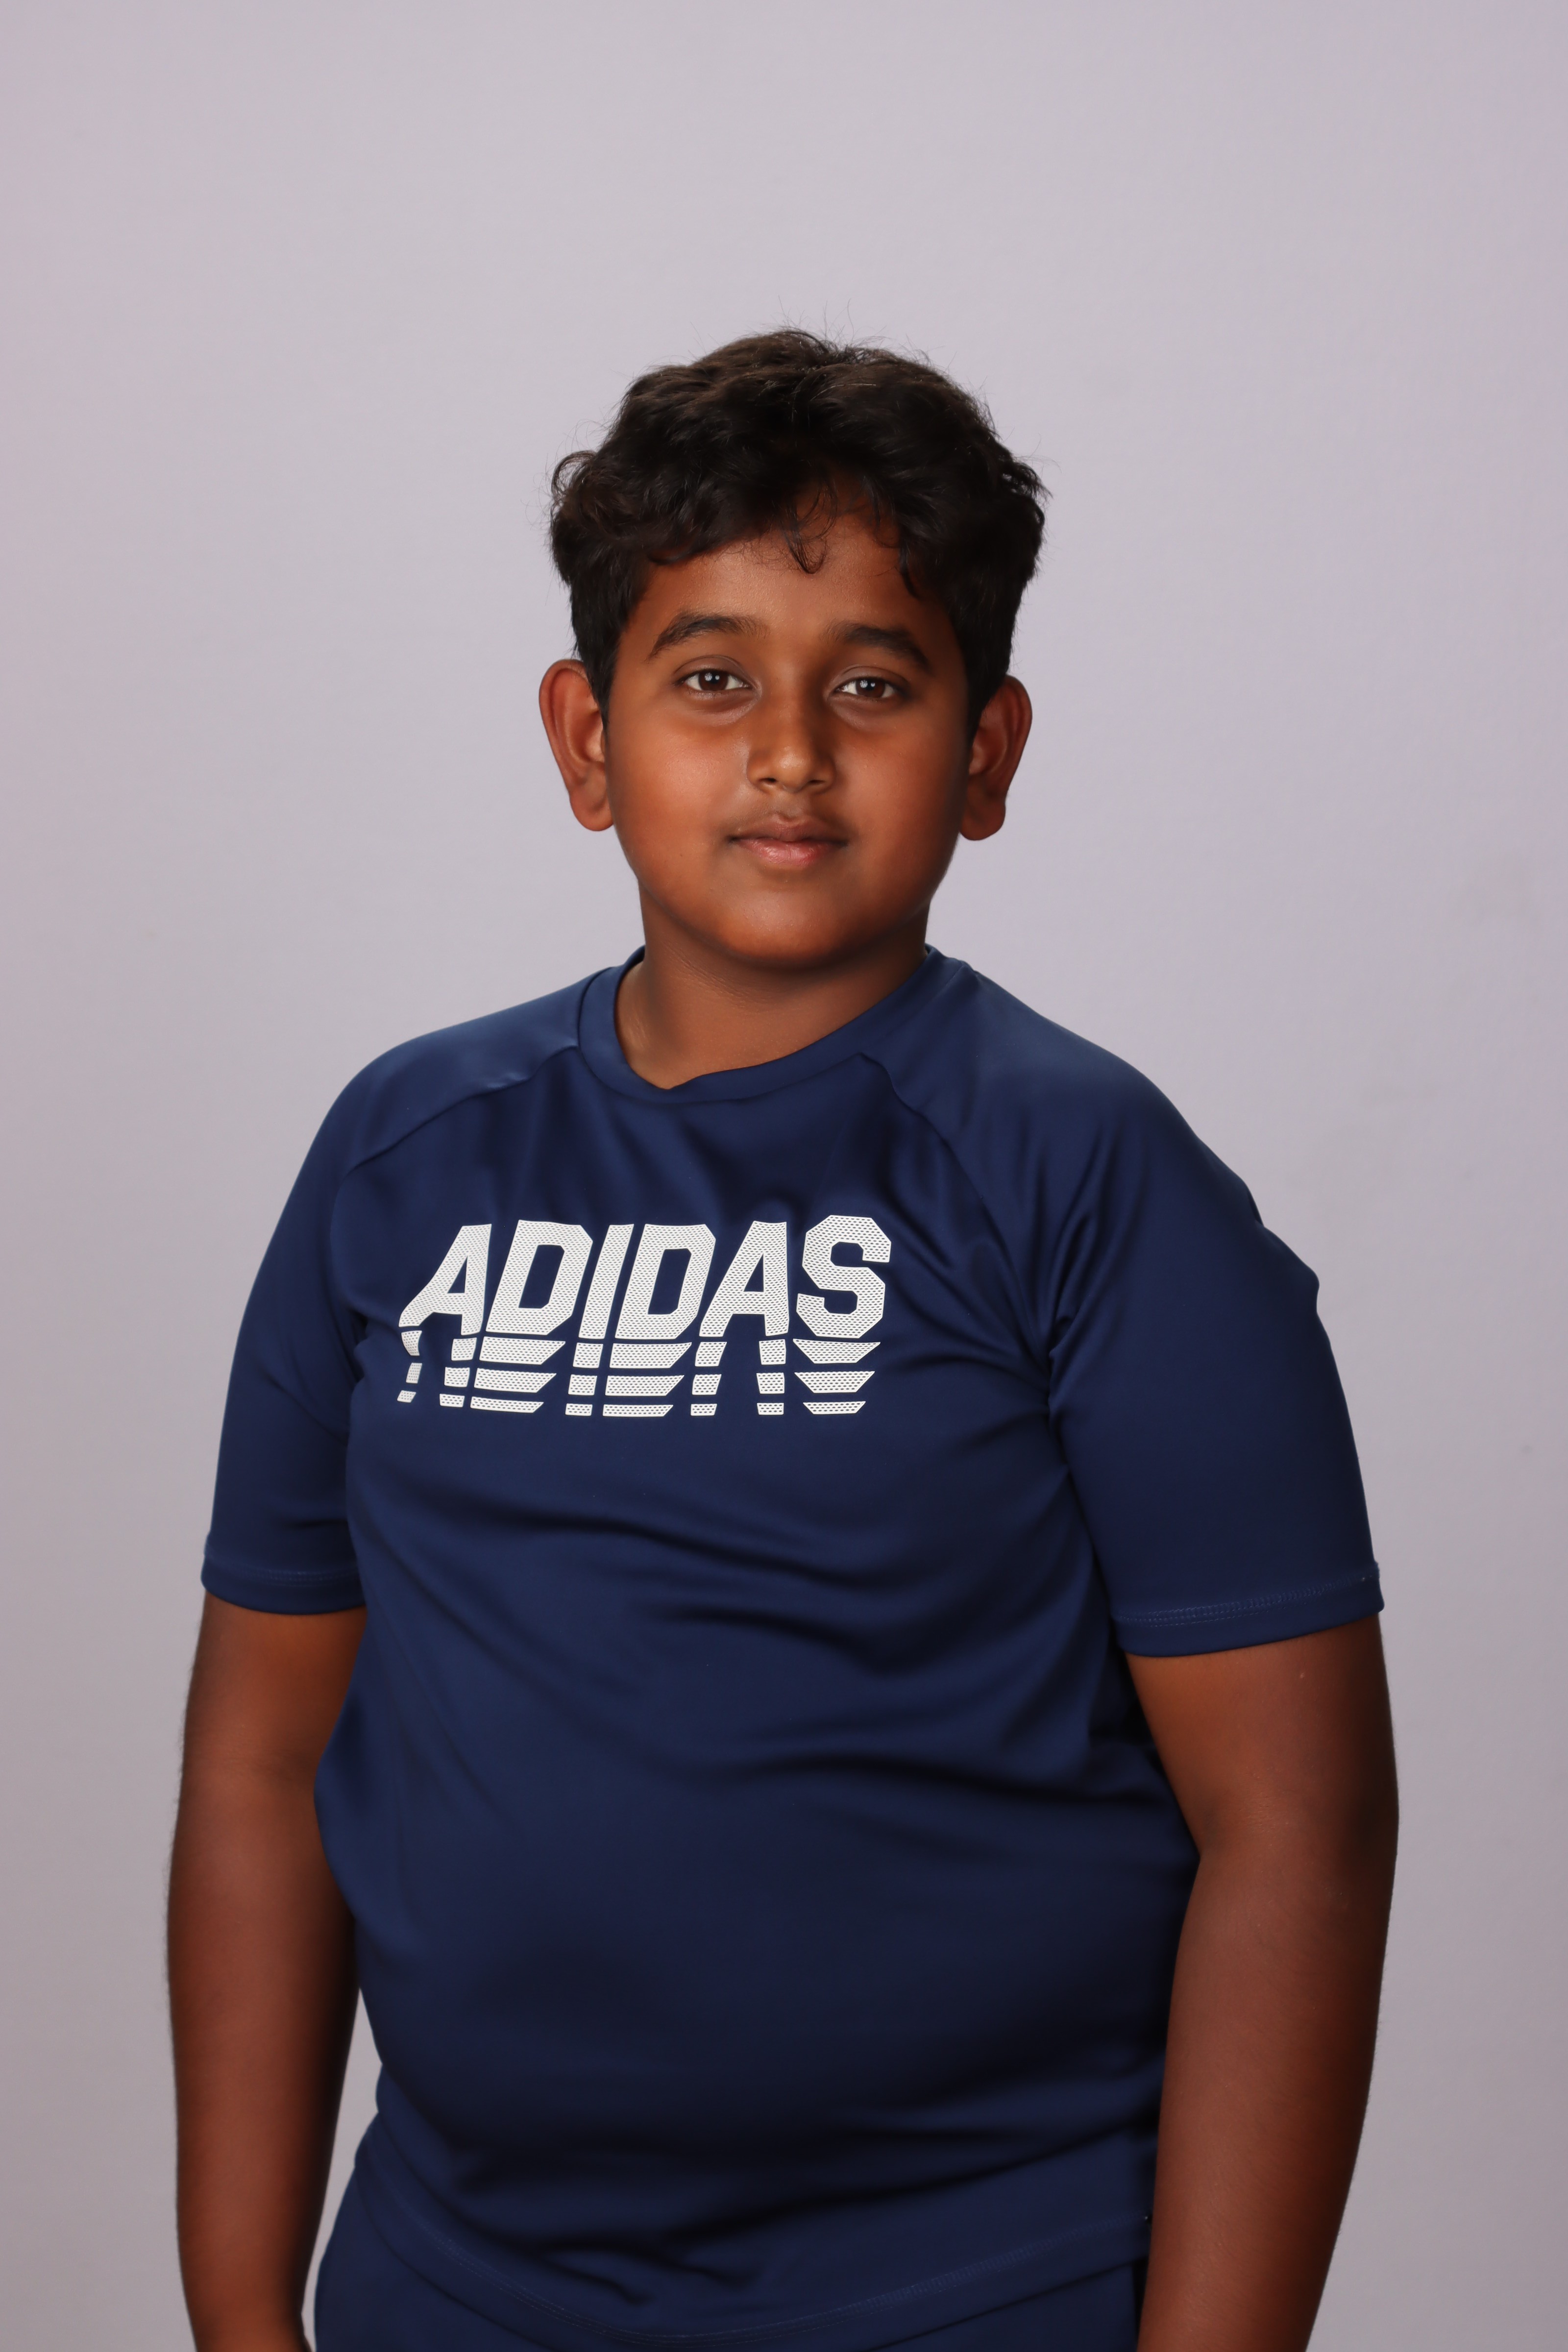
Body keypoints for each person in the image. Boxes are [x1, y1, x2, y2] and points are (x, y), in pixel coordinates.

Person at [168, 331, 1397, 2352]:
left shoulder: (1088, 1178)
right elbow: (263, 1751)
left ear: (987, 753)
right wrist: (238, 2313)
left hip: (981, 2286)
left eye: (876, 685)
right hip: (460, 2286)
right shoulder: (406, 1154)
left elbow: (1301, 1830)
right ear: (587, 739)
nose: (792, 754)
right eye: (713, 678)